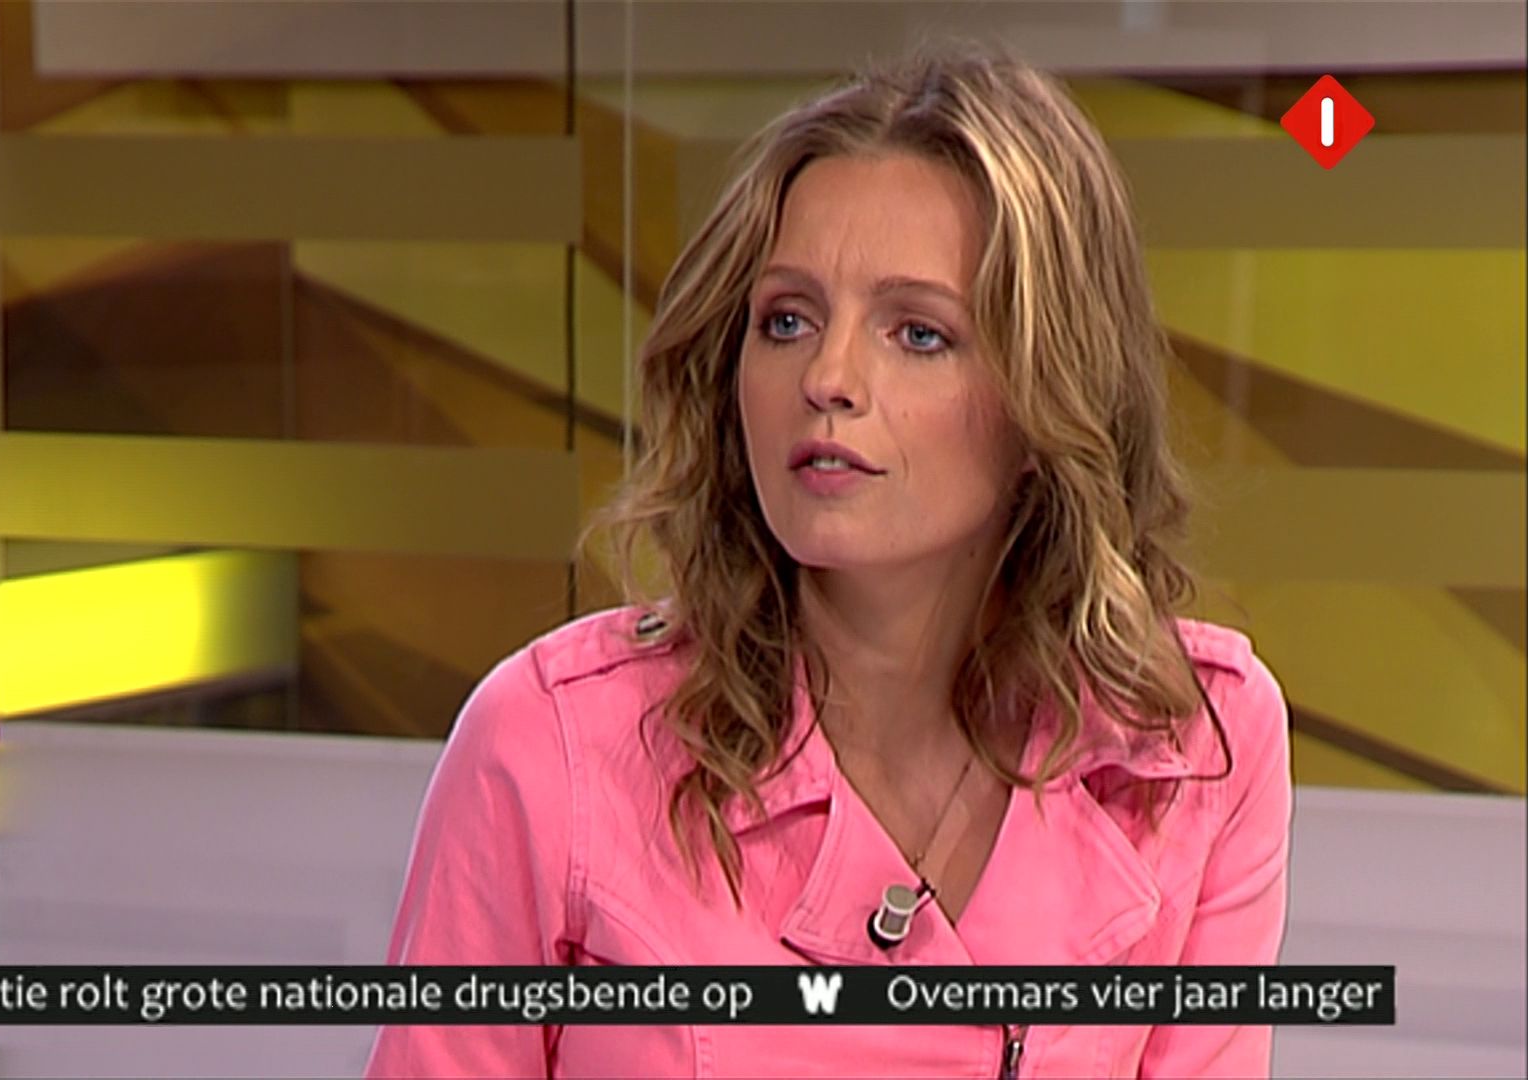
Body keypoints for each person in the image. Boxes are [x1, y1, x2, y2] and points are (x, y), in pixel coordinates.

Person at [366, 42, 1290, 1080]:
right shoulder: (553, 746)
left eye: (918, 333)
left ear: (1049, 397)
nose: (828, 376)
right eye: (788, 319)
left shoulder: (1194, 747)